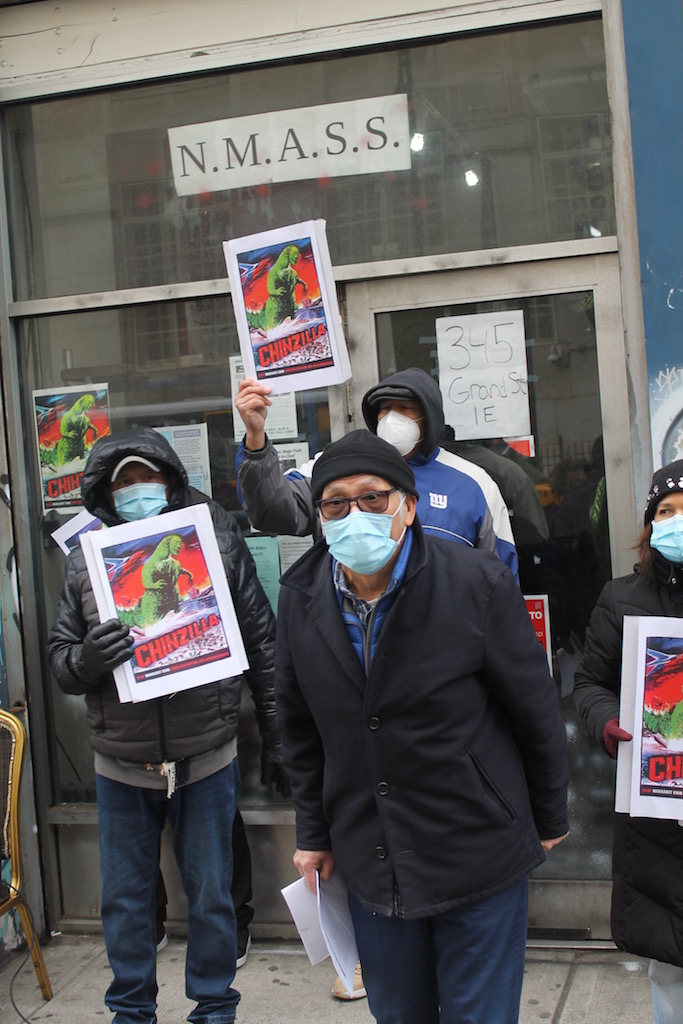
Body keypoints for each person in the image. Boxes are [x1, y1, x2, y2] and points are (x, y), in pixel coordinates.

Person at [274, 428, 569, 1024]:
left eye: (372, 497)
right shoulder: (300, 596)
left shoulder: (476, 581)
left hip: (476, 847)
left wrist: (549, 816)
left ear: (408, 506)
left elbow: (533, 708)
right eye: (335, 503)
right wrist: (314, 833)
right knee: (398, 1013)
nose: (355, 514)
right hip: (372, 858)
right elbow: (300, 729)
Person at [48, 426, 288, 1024]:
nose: (137, 490)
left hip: (206, 755)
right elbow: (60, 659)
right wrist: (87, 660)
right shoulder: (86, 560)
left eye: (148, 477)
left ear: (171, 481)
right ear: (105, 493)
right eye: (124, 482)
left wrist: (277, 734)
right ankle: (131, 1011)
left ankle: (215, 1007)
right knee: (125, 902)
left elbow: (261, 641)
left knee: (211, 897)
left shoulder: (214, 543)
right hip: (121, 765)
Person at [574, 458, 683, 1024]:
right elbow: (589, 682)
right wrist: (608, 721)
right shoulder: (621, 597)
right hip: (657, 812)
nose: (677, 521)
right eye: (666, 511)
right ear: (649, 525)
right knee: (670, 961)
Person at [235, 366, 518, 579]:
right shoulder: (336, 466)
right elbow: (271, 509)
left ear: (429, 417)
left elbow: (500, 576)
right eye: (385, 409)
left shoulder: (474, 484)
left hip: (446, 630)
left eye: (404, 409)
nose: (392, 418)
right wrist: (255, 439)